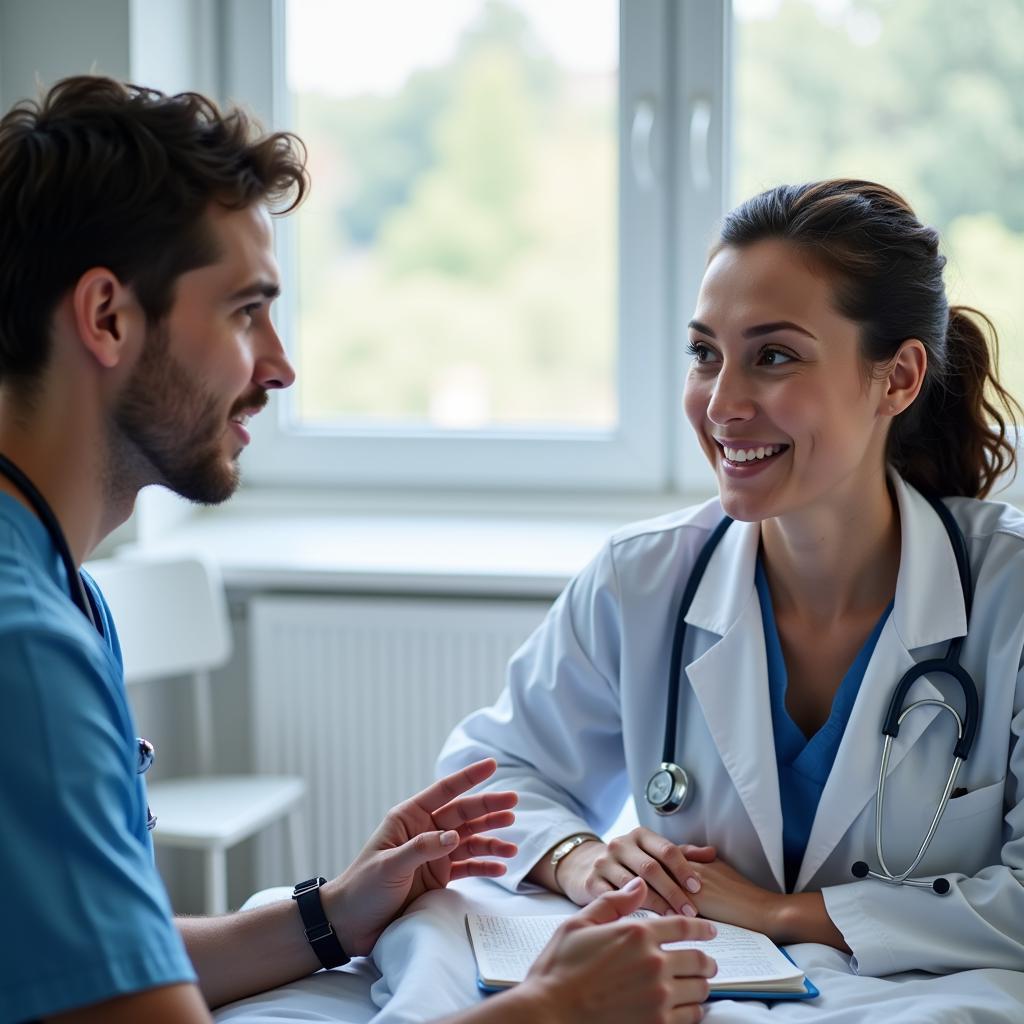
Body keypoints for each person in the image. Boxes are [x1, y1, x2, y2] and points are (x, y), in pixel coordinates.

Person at [0, 77, 716, 1024]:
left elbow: (97, 967)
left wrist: (333, 915)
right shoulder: (25, 648)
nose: (281, 364)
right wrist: (555, 1012)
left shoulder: (54, 585)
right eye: (245, 311)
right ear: (107, 318)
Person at [439, 180, 1024, 1008]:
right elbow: (488, 773)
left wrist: (784, 912)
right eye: (705, 353)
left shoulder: (1009, 593)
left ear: (896, 379)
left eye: (773, 356)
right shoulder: (641, 579)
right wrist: (577, 855)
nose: (721, 405)